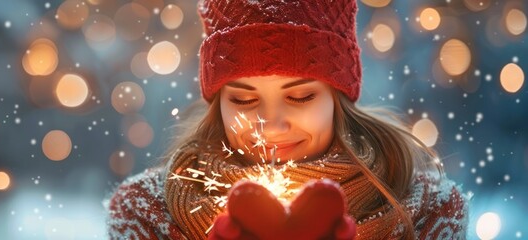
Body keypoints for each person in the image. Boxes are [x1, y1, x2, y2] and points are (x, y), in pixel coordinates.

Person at [107, 0, 468, 239]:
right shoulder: (147, 211)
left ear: (337, 97)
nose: (271, 125)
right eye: (243, 99)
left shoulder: (425, 211)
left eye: (300, 96)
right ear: (218, 105)